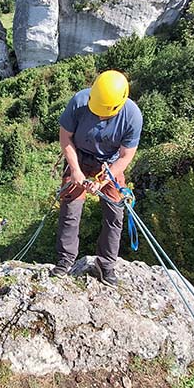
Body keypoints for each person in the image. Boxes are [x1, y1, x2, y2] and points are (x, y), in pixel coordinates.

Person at [51, 70, 143, 287]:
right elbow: (65, 138)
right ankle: (65, 260)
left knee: (115, 213)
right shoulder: (79, 102)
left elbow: (126, 155)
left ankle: (106, 264)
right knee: (70, 208)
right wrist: (75, 170)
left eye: (105, 114)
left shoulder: (131, 116)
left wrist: (102, 180)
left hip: (110, 164)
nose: (100, 116)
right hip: (79, 156)